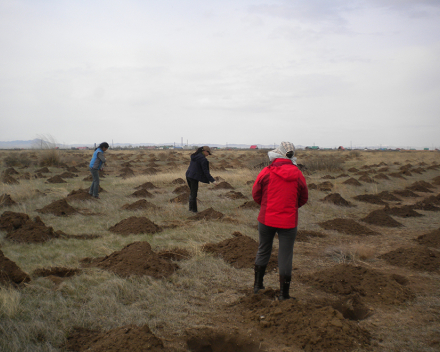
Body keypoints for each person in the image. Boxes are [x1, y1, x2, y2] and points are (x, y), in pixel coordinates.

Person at [252, 141, 308, 300]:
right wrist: (290, 207)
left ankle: (257, 286)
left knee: (263, 249)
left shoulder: (266, 171)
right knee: (285, 256)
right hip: (288, 222)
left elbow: (256, 193)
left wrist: (265, 206)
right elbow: (304, 197)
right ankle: (284, 295)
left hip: (266, 219)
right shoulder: (297, 173)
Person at [185, 146, 216, 213]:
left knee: (192, 192)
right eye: (208, 153)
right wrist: (212, 180)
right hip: (193, 177)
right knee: (194, 194)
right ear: (205, 151)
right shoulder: (203, 159)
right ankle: (194, 211)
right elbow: (206, 171)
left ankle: (190, 209)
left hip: (188, 175)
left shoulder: (195, 156)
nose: (208, 155)